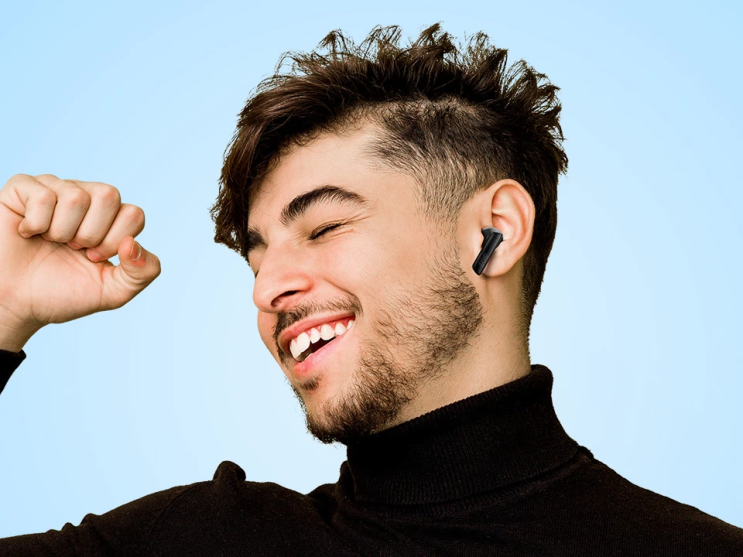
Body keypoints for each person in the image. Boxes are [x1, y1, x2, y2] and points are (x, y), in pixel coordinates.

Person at [0, 24, 741, 557]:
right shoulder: (199, 539)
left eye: (323, 227)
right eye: (256, 259)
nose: (268, 289)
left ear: (494, 232)